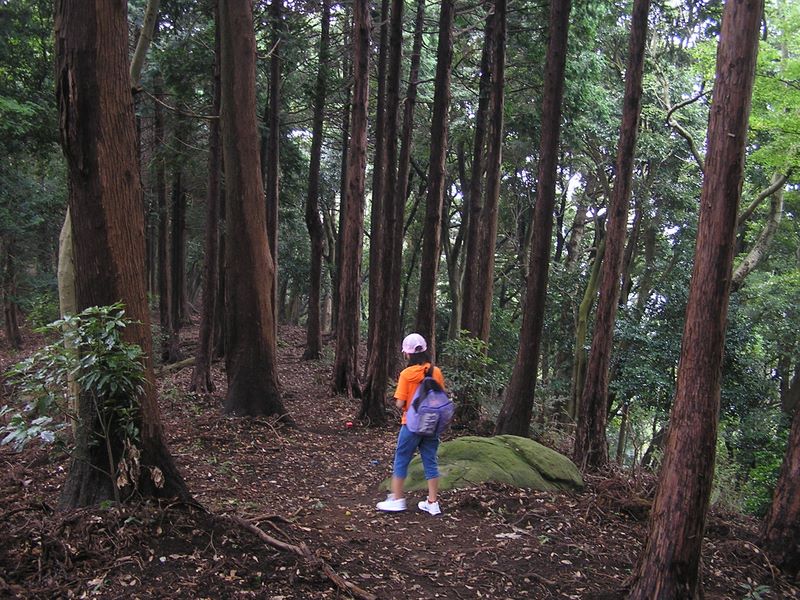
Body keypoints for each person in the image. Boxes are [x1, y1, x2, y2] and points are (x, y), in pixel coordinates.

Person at [376, 333, 446, 516]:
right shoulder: (436, 372)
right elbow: (441, 396)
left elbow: (400, 403)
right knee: (430, 460)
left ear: (407, 354)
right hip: (431, 424)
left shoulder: (406, 374)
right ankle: (432, 502)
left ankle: (398, 499)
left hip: (411, 424)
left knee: (402, 458)